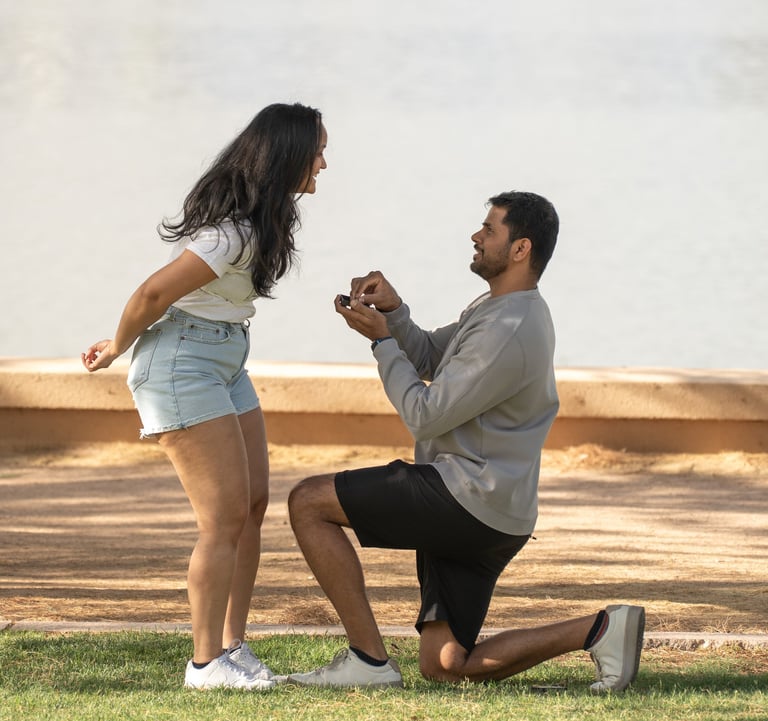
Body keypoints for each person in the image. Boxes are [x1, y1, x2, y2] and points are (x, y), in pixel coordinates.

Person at [286, 190, 645, 691]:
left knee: (309, 503)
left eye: (489, 229)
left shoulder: (511, 325)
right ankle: (602, 629)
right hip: (492, 508)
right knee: (445, 664)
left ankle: (368, 661)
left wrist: (383, 342)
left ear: (520, 249)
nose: (476, 236)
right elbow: (434, 357)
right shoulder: (501, 307)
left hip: (466, 498)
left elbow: (425, 415)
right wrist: (395, 315)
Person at [82, 102, 328, 690]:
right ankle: (204, 664)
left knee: (252, 504)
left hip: (221, 357)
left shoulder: (260, 221)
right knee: (221, 518)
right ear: (288, 156)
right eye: (317, 150)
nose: (323, 162)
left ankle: (231, 647)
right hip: (181, 363)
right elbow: (151, 293)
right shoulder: (232, 232)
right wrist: (116, 347)